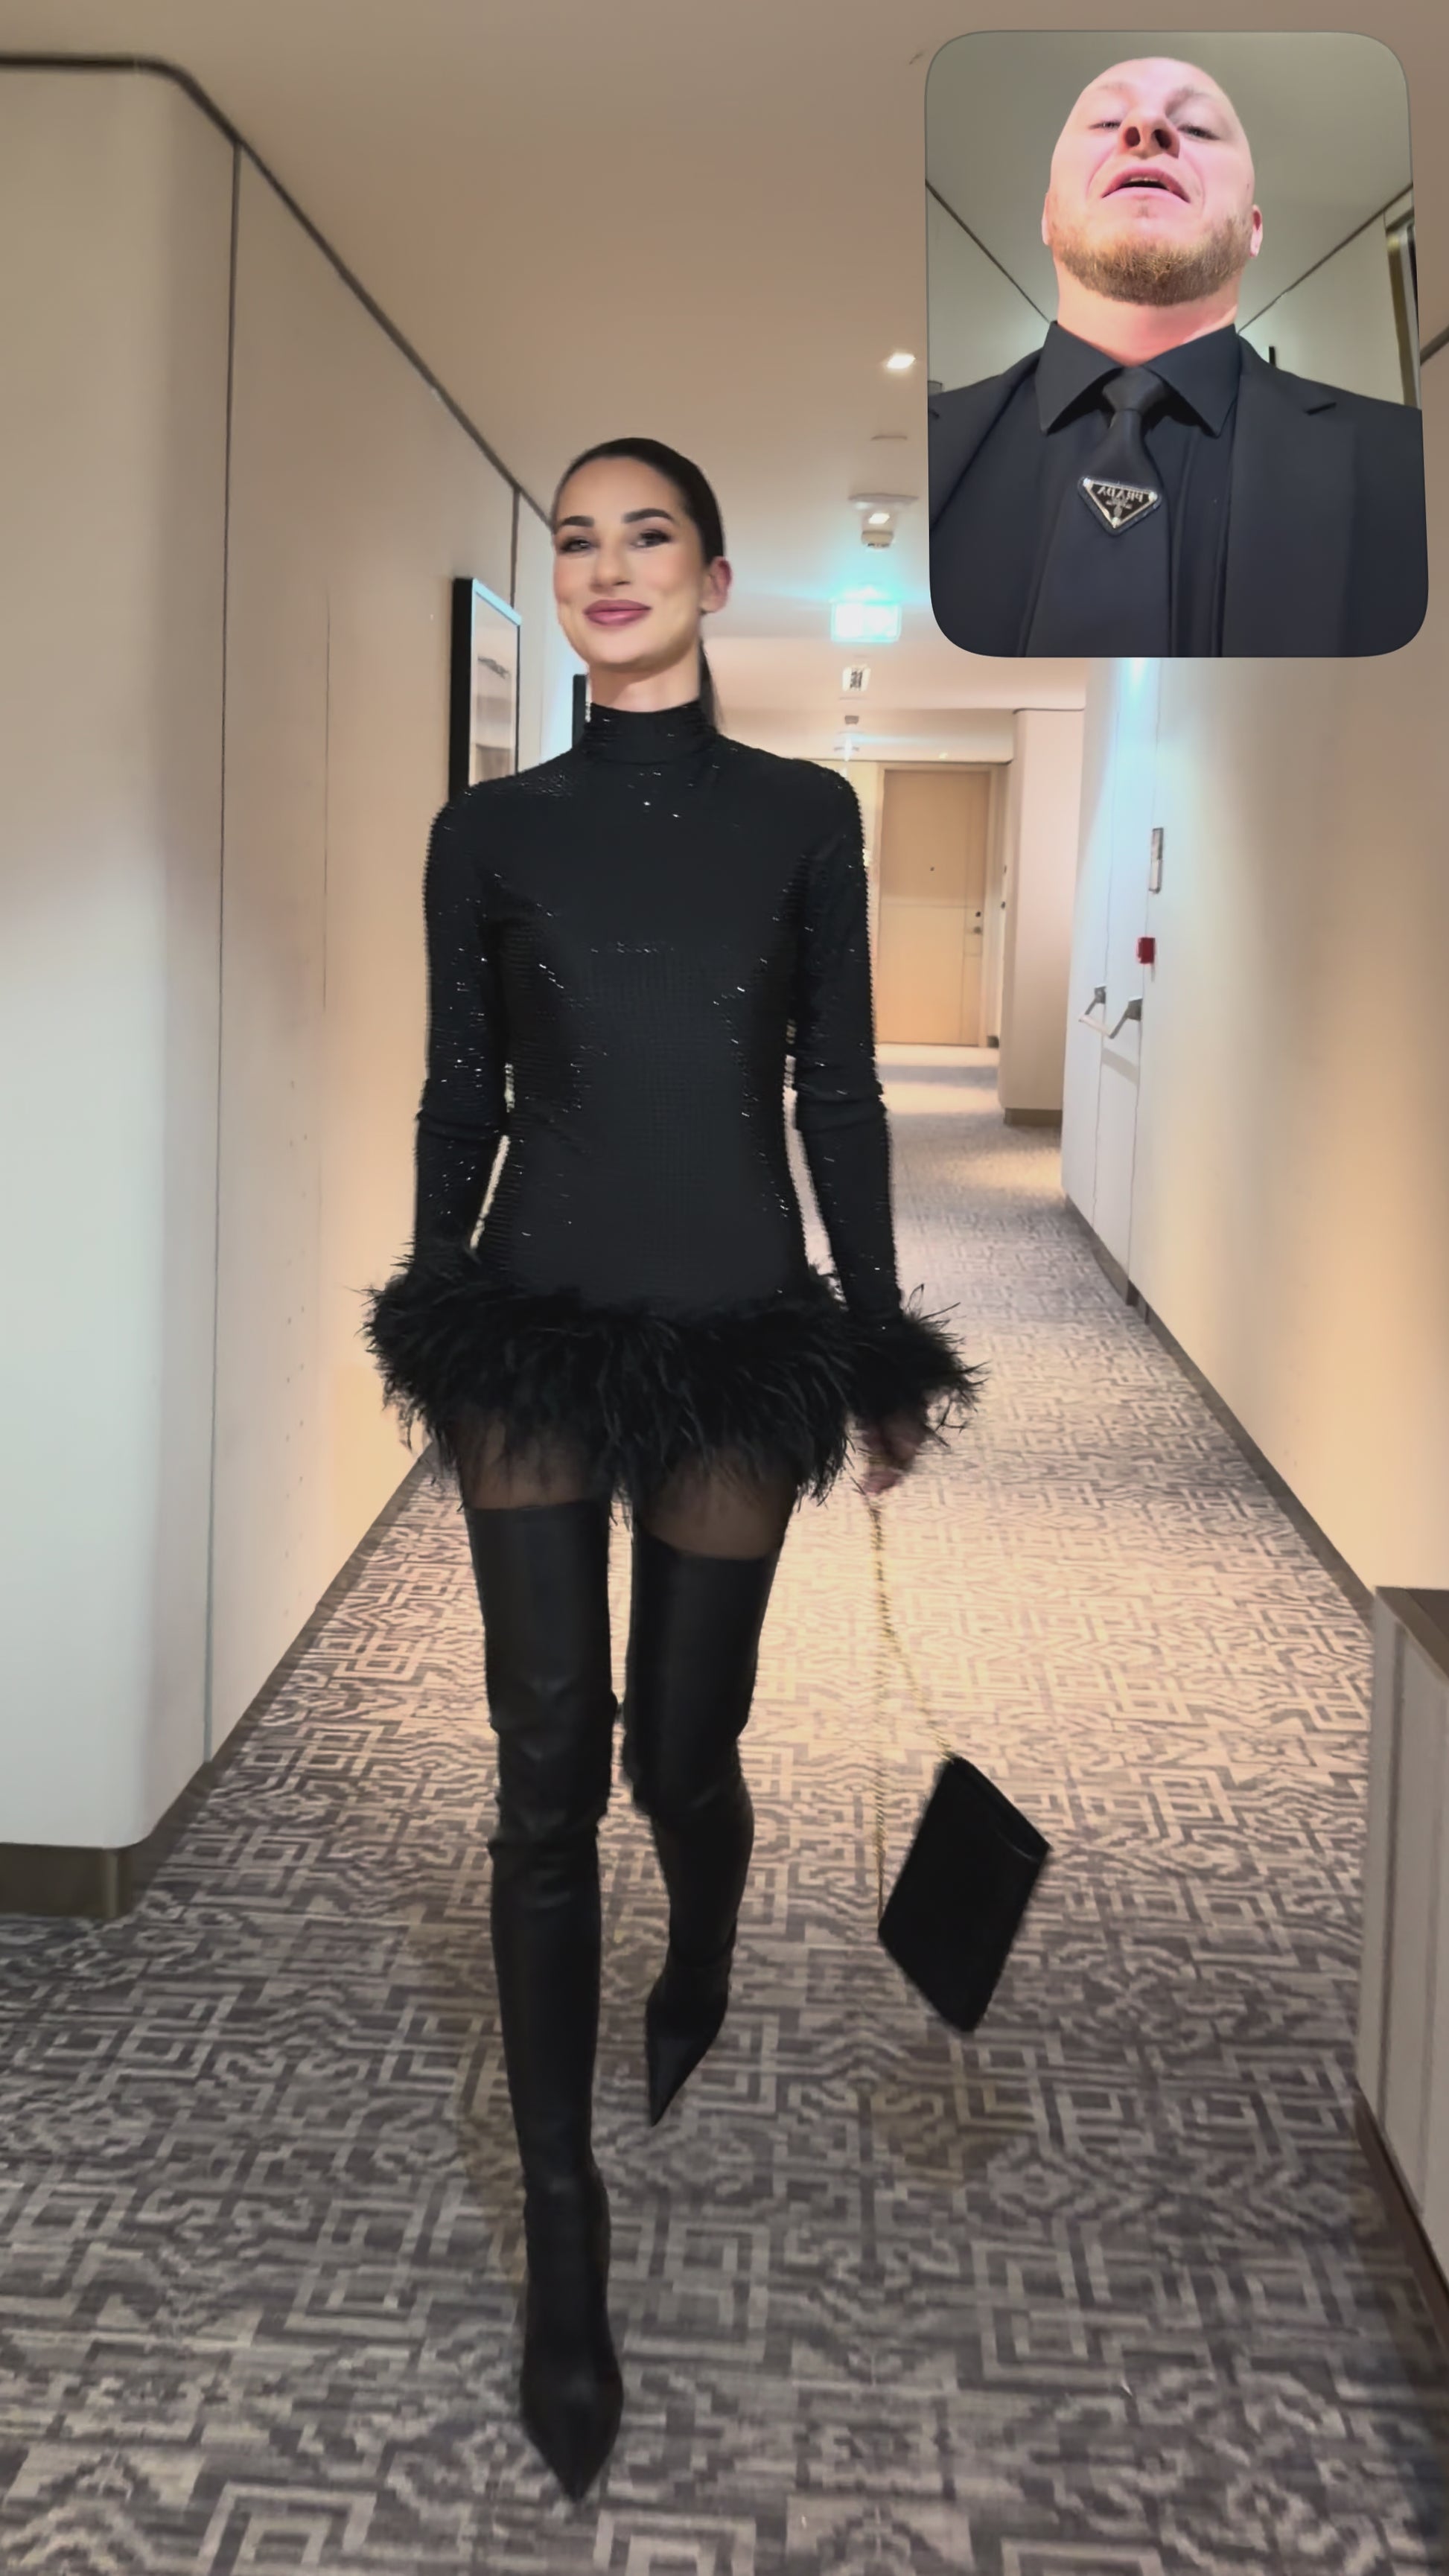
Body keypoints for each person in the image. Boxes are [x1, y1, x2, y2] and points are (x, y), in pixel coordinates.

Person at [361, 436, 978, 2501]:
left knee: (675, 1752)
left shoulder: (801, 817)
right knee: (543, 1759)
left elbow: (839, 1091)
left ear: (715, 577)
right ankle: (568, 2239)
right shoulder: (486, 831)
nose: (608, 566)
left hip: (732, 1329)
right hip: (530, 1330)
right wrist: (435, 1300)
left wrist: (876, 1336)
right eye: (577, 539)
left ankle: (700, 1938)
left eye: (648, 536)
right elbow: (461, 1089)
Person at [929, 55, 1427, 657]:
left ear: (1253, 229)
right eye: (1107, 122)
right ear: (1049, 216)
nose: (1146, 129)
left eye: (1197, 128)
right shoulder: (920, 445)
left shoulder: (1421, 465)